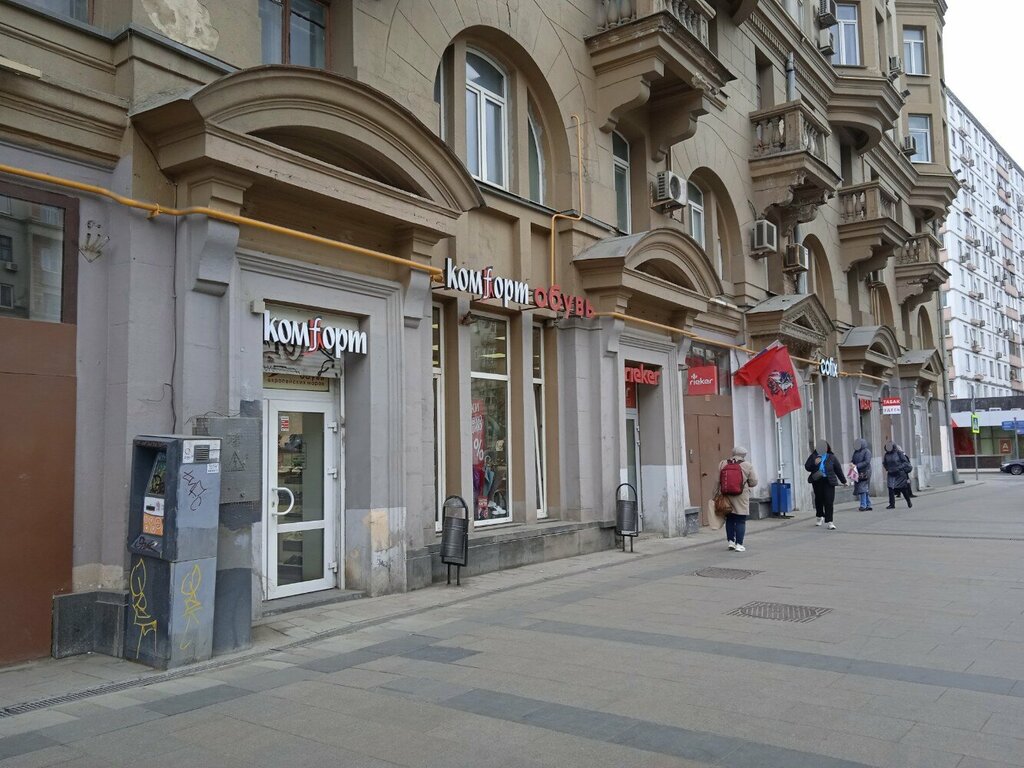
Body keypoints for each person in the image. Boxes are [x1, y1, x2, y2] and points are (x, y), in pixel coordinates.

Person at [714, 446, 758, 552]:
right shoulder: (747, 465)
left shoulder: (723, 463)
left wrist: (715, 494)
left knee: (729, 519)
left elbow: (717, 481)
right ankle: (739, 544)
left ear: (733, 453)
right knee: (740, 520)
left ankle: (731, 542)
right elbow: (754, 482)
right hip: (741, 496)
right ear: (744, 455)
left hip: (726, 495)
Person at [805, 440, 847, 529]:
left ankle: (830, 521)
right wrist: (814, 463)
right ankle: (819, 516)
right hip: (817, 481)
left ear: (827, 448)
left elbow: (838, 470)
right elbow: (807, 467)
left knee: (829, 501)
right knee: (819, 500)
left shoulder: (832, 457)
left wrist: (844, 481)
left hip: (829, 481)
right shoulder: (814, 456)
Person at [882, 441, 913, 509]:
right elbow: (884, 463)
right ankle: (892, 504)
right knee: (891, 488)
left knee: (903, 489)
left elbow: (905, 462)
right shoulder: (886, 455)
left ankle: (908, 501)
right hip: (891, 473)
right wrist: (887, 468)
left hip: (900, 474)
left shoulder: (899, 453)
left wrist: (899, 468)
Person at [851, 438, 873, 511]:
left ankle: (863, 505)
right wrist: (851, 464)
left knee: (862, 488)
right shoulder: (855, 452)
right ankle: (869, 504)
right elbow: (853, 460)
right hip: (857, 472)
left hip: (866, 471)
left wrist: (856, 465)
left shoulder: (867, 451)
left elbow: (867, 462)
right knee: (864, 489)